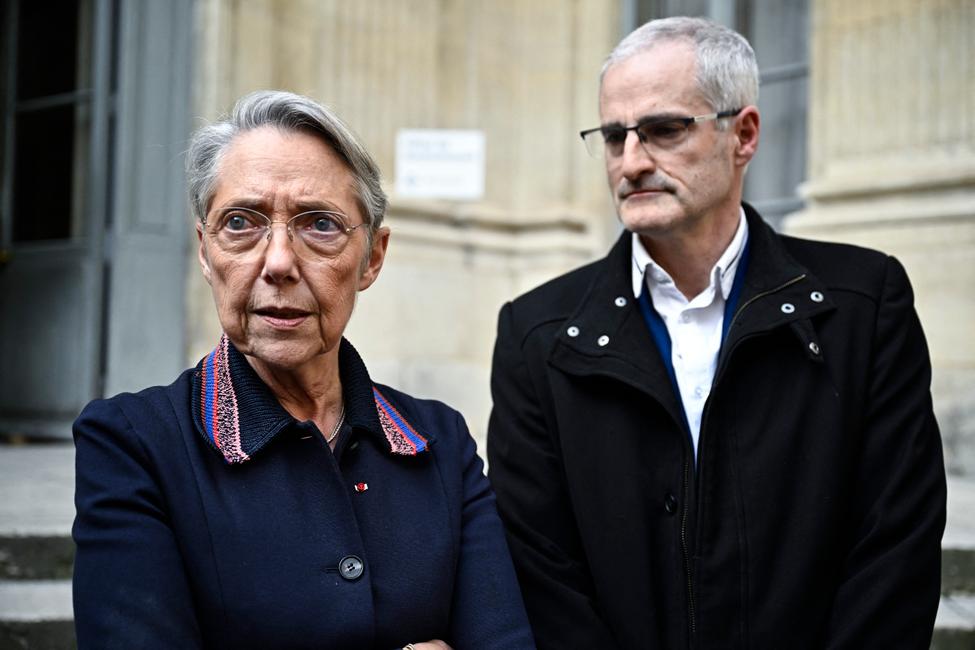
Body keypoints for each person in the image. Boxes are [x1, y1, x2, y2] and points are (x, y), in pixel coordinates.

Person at [487, 16, 946, 650]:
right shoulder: (536, 332)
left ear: (745, 134)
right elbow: (540, 569)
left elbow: (896, 546)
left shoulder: (864, 304)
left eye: (664, 129)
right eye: (615, 137)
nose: (632, 161)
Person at [72, 90, 534, 650]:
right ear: (204, 249)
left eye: (320, 225)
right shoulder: (134, 443)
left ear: (374, 258)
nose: (279, 262)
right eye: (241, 222)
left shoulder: (440, 443)